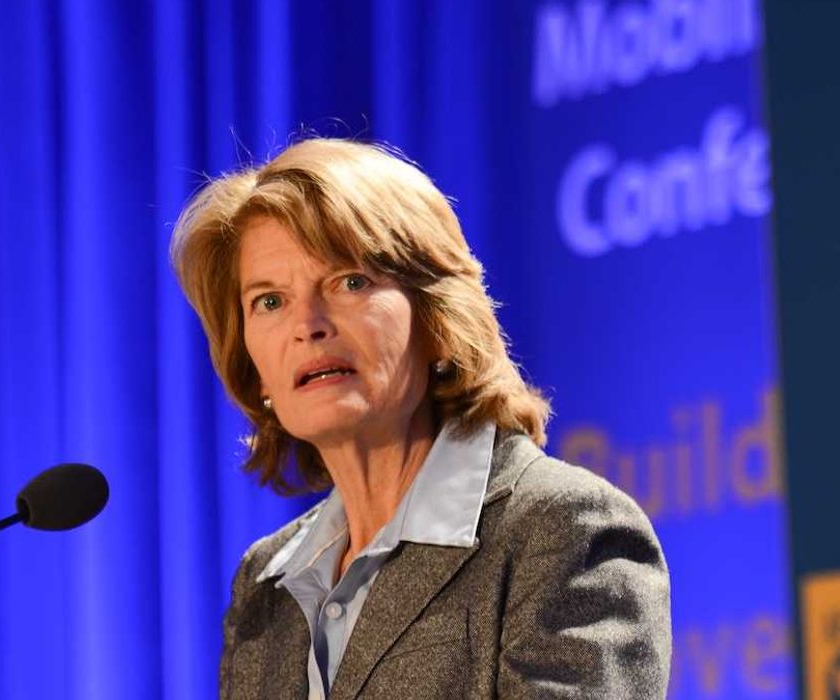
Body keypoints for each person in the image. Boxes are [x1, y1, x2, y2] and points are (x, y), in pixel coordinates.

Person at [170, 138, 671, 699]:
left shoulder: (561, 532)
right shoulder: (265, 587)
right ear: (254, 368)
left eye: (349, 281)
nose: (306, 325)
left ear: (437, 319)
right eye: (269, 301)